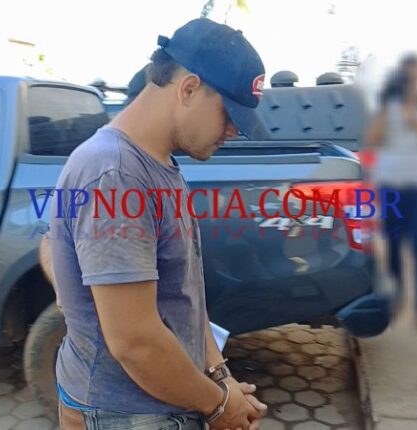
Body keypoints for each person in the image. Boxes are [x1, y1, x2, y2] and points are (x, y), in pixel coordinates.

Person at [44, 18, 270, 430]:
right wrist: (221, 407)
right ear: (188, 89)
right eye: (228, 114)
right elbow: (136, 342)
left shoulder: (156, 163)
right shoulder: (115, 173)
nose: (233, 132)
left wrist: (220, 377)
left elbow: (183, 293)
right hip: (128, 414)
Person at [364, 53, 417, 330]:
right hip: (392, 186)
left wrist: (416, 122)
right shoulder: (388, 106)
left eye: (415, 74)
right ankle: (397, 297)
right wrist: (386, 108)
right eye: (406, 75)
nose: (411, 80)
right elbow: (372, 139)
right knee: (393, 245)